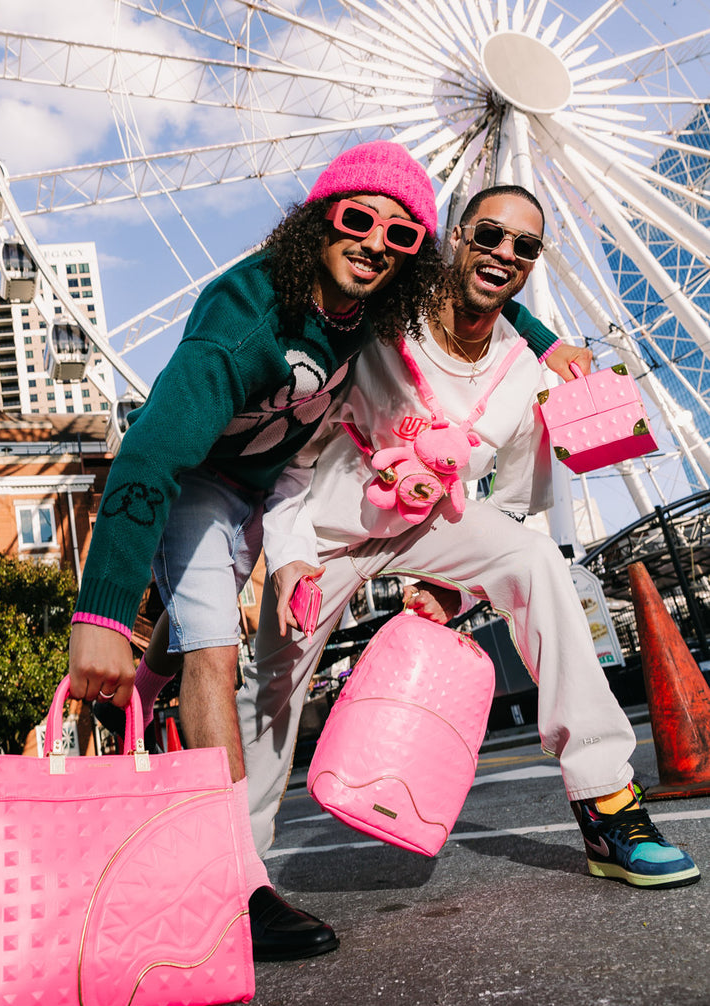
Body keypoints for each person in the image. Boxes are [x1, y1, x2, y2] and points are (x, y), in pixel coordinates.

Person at [239, 184, 700, 926]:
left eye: (525, 246)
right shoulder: (385, 317)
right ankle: (238, 870)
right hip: (327, 532)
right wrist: (289, 556)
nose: (504, 253)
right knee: (273, 683)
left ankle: (608, 805)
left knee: (536, 564)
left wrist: (457, 590)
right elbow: (295, 454)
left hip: (432, 523)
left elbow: (514, 503)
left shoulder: (528, 374)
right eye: (490, 234)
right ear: (455, 235)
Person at [69, 141, 449, 961]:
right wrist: (100, 615)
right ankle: (238, 887)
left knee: (192, 625)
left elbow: (474, 303)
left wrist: (547, 343)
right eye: (358, 218)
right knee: (215, 652)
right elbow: (148, 456)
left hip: (275, 486)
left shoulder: (369, 313)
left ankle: (140, 692)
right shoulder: (244, 317)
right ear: (317, 222)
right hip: (201, 482)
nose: (375, 241)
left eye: (402, 234)